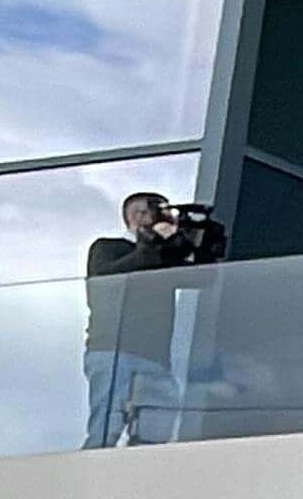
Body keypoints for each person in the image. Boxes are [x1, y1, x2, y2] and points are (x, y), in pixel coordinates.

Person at [83, 191, 225, 447]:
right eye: (159, 212)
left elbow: (203, 278)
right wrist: (154, 243)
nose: (168, 219)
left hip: (155, 357)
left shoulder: (161, 257)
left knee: (155, 435)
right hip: (115, 351)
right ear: (136, 216)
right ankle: (89, 480)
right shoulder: (107, 248)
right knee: (106, 430)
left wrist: (196, 245)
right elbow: (107, 279)